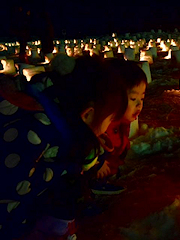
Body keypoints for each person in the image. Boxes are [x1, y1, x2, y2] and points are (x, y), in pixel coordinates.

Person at [0, 56, 137, 239]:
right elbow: (14, 184)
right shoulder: (36, 127)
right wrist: (65, 168)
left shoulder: (60, 114)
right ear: (88, 114)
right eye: (110, 119)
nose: (109, 127)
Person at [90, 59, 147, 195]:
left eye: (142, 99)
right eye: (133, 99)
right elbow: (87, 146)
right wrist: (96, 165)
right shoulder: (102, 125)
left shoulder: (121, 122)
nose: (139, 105)